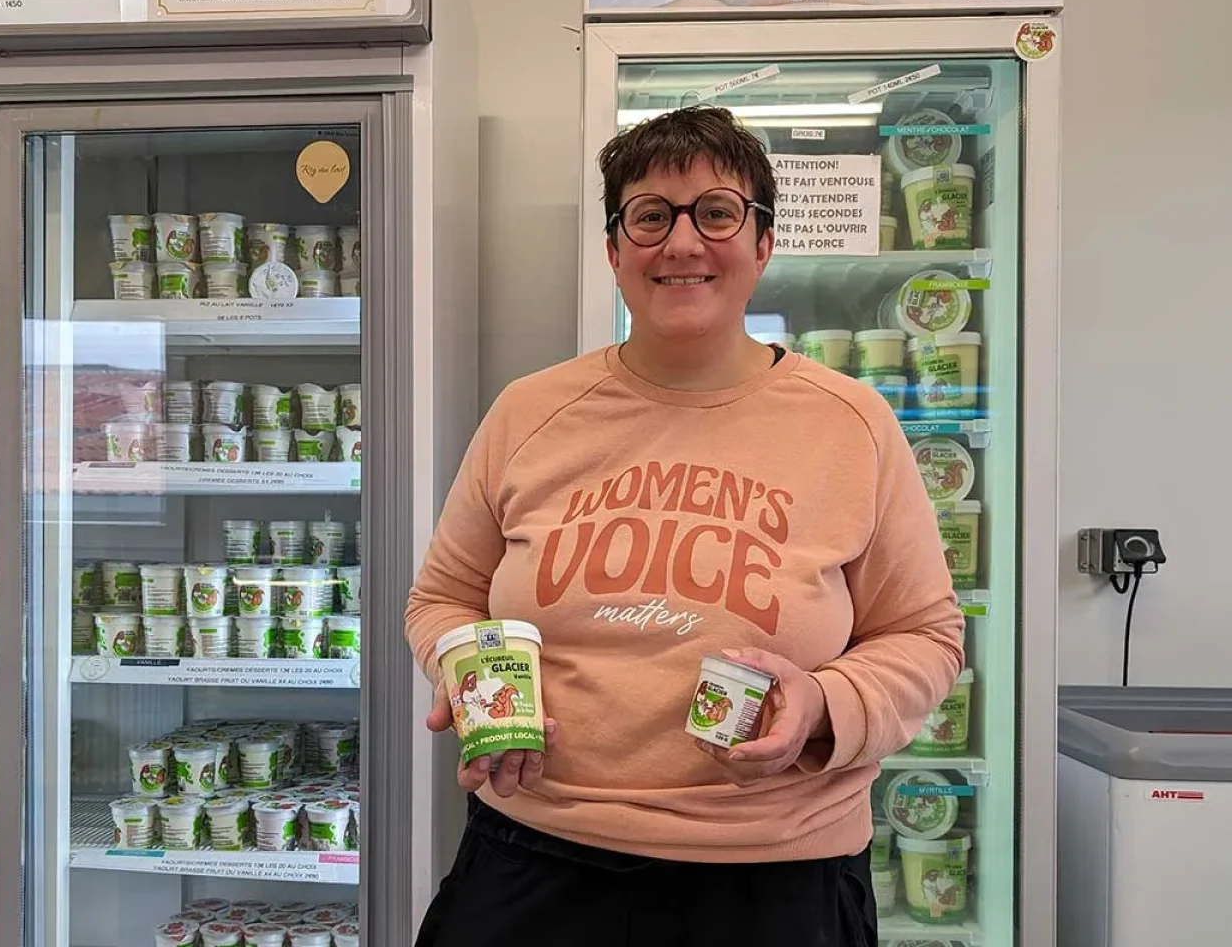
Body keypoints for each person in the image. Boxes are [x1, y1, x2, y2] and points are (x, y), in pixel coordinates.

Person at [404, 105, 965, 946]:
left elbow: (926, 636)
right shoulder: (531, 411)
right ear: (614, 250)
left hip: (775, 876)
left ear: (763, 243)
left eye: (717, 212)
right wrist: (466, 672)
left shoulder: (851, 421)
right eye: (650, 216)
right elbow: (442, 599)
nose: (682, 242)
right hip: (535, 856)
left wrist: (820, 704)